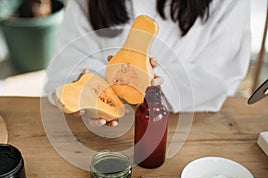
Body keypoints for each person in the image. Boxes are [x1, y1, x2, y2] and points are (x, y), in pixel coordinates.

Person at [45, 0, 251, 125]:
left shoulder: (229, 3)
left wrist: (156, 84)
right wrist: (91, 95)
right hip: (98, 131)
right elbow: (68, 61)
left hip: (192, 121)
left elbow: (219, 72)